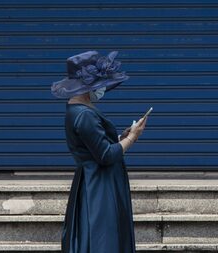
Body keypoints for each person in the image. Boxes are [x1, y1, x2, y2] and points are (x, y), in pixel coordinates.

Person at [51, 50, 148, 253]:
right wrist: (133, 137)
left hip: (92, 181)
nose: (102, 88)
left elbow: (95, 147)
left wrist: (120, 138)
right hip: (99, 187)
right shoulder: (84, 114)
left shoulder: (76, 109)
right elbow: (105, 156)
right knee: (103, 239)